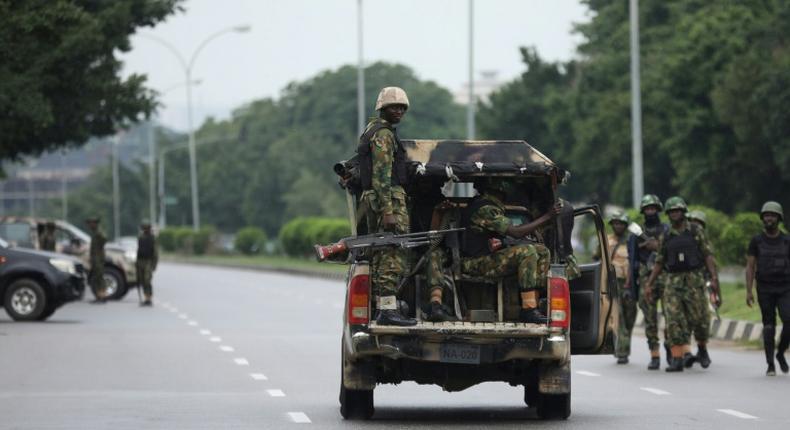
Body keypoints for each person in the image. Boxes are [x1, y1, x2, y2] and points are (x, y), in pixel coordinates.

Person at [454, 178, 559, 323]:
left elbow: (510, 237)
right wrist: (547, 217)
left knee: (542, 251)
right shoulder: (484, 209)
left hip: (486, 259)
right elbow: (516, 233)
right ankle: (528, 309)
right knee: (527, 252)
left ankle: (533, 305)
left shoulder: (490, 207)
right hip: (473, 262)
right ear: (502, 191)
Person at [357, 86, 415, 326]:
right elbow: (381, 175)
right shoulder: (383, 134)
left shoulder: (373, 130)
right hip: (388, 199)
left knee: (383, 255)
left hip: (380, 199)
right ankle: (388, 311)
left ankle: (385, 309)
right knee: (393, 252)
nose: (399, 111)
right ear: (383, 108)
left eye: (402, 107)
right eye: (394, 107)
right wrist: (388, 211)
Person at [644, 197, 720, 372]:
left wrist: (714, 278)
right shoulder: (666, 236)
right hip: (673, 281)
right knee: (674, 321)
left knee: (700, 319)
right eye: (671, 212)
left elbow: (708, 254)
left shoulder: (695, 231)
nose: (674, 214)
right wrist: (649, 284)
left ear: (683, 212)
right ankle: (677, 358)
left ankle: (702, 349)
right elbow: (659, 262)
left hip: (694, 279)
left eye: (677, 211)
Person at [745, 201, 790, 376]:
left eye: (772, 215)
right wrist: (749, 291)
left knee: (789, 321)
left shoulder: (787, 241)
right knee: (769, 326)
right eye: (766, 215)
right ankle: (770, 363)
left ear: (779, 218)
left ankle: (780, 353)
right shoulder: (756, 241)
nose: (769, 218)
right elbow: (750, 266)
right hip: (764, 288)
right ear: (762, 219)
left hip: (785, 287)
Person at [629, 194, 670, 370]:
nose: (650, 212)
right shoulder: (636, 233)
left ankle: (671, 348)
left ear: (658, 210)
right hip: (646, 278)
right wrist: (633, 288)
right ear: (643, 211)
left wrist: (657, 246)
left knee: (672, 317)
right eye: (647, 209)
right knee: (650, 319)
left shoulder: (667, 230)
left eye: (653, 208)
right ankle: (655, 354)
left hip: (666, 275)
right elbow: (632, 260)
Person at [601, 212, 636, 364]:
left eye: (621, 223)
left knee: (630, 316)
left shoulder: (632, 240)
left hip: (630, 283)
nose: (618, 226)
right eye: (615, 223)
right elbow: (599, 258)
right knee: (619, 316)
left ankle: (624, 343)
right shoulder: (606, 240)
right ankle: (622, 351)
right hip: (613, 283)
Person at [136, 220, 158, 306]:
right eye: (144, 228)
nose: (145, 230)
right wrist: (137, 262)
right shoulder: (140, 237)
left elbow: (155, 253)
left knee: (147, 279)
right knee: (142, 280)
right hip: (140, 261)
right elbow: (138, 250)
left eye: (146, 228)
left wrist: (154, 265)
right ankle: (146, 297)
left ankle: (149, 298)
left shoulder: (152, 238)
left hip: (148, 261)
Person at [86, 217, 107, 303]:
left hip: (98, 258)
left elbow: (104, 239)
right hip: (95, 258)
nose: (90, 225)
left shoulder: (98, 232)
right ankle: (99, 296)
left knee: (99, 277)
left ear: (95, 224)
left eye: (91, 223)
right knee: (96, 277)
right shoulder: (94, 232)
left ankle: (102, 296)